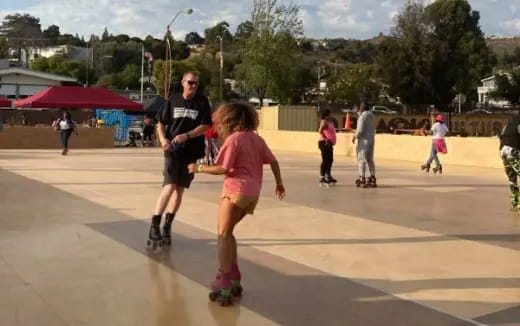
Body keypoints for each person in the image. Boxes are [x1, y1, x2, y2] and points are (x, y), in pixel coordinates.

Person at [188, 102, 286, 306]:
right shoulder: (256, 139)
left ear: (228, 119)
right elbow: (274, 162)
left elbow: (223, 168)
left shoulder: (234, 139)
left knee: (222, 234)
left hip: (235, 191)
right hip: (253, 193)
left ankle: (224, 281)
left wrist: (197, 168)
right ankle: (234, 275)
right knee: (229, 231)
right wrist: (279, 184)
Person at [146, 71, 212, 248]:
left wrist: (188, 135)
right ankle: (154, 224)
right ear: (183, 82)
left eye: (196, 83)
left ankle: (167, 225)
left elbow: (206, 125)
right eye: (190, 82)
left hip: (191, 151)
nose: (193, 86)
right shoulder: (173, 100)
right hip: (173, 150)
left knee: (180, 190)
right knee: (169, 186)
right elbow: (160, 122)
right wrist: (163, 139)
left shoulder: (202, 102)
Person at [352, 103, 377, 187]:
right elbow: (364, 118)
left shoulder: (362, 117)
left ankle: (362, 178)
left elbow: (360, 130)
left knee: (361, 159)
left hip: (363, 140)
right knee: (370, 159)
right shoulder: (372, 116)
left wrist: (354, 136)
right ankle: (372, 177)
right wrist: (358, 113)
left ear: (362, 108)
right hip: (371, 139)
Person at [499, 114, 520, 210]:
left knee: (512, 179)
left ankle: (514, 202)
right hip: (513, 151)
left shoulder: (509, 122)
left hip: (503, 151)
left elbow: (501, 136)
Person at [318, 109, 337, 186]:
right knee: (325, 160)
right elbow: (320, 131)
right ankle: (322, 177)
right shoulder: (324, 121)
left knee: (330, 160)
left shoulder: (330, 122)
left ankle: (328, 175)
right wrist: (326, 139)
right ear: (326, 115)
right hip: (324, 143)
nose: (331, 116)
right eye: (329, 114)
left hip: (329, 144)